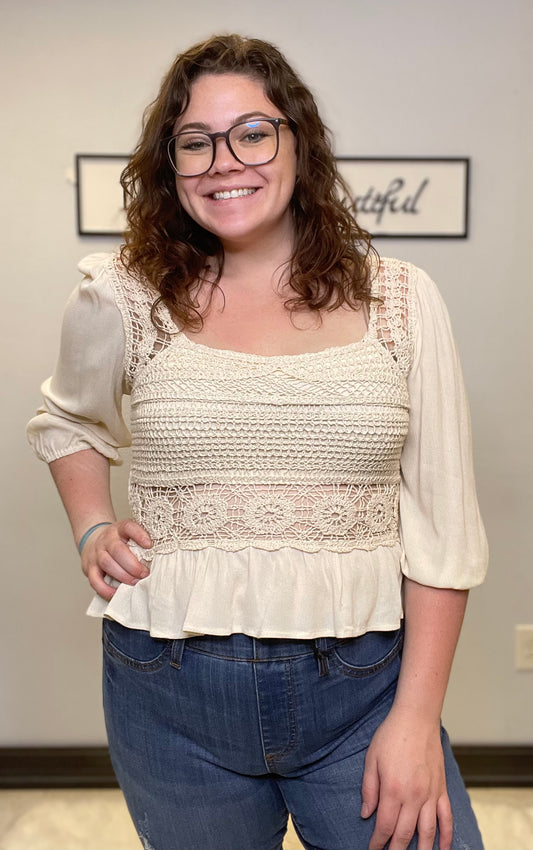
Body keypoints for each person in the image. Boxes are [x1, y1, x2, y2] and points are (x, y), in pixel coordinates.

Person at [27, 33, 488, 850]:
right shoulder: (120, 296)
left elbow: (444, 532)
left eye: (251, 131)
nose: (222, 160)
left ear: (295, 142)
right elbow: (69, 419)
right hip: (165, 690)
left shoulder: (401, 301)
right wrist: (92, 522)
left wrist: (416, 719)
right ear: (170, 165)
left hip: (363, 690)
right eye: (194, 142)